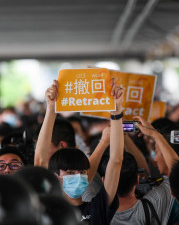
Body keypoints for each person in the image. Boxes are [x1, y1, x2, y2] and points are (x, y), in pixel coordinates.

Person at [35, 79, 124, 224]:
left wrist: (116, 111)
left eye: (82, 172)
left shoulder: (98, 208)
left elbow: (116, 160)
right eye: (70, 172)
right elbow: (40, 161)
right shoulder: (48, 209)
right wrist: (51, 110)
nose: (78, 177)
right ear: (55, 177)